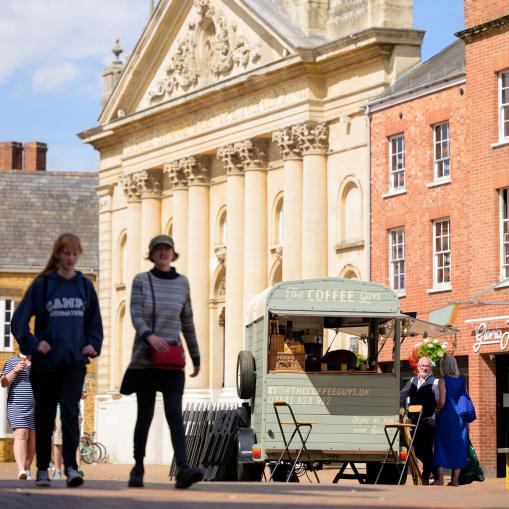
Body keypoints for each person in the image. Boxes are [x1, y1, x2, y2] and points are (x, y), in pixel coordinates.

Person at [11, 233, 103, 488]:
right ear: (58, 255)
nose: (71, 258)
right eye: (66, 253)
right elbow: (18, 321)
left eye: (75, 253)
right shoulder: (43, 285)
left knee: (71, 413)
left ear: (78, 255)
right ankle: (42, 469)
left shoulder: (84, 286)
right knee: (45, 415)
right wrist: (33, 344)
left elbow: (95, 324)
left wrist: (92, 345)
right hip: (46, 364)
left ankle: (72, 468)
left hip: (73, 363)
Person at [120, 234, 203, 489]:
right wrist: (149, 335)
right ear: (152, 254)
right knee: (144, 415)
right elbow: (135, 313)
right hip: (146, 359)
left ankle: (183, 469)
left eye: (167, 249)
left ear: (173, 253)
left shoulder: (182, 283)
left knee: (174, 415)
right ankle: (138, 466)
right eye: (158, 250)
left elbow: (187, 321)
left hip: (172, 361)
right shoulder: (141, 281)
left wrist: (196, 356)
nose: (163, 253)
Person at [399, 356, 439, 485]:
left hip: (427, 421)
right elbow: (401, 395)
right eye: (422, 366)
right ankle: (437, 472)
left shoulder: (435, 382)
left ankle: (426, 477)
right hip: (413, 421)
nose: (424, 368)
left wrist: (434, 418)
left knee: (427, 450)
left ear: (430, 367)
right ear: (417, 367)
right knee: (416, 448)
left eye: (426, 366)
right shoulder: (412, 381)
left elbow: (440, 403)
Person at [432, 355, 469, 486]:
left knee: (441, 445)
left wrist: (436, 411)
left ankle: (441, 479)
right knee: (459, 446)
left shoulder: (443, 381)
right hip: (459, 418)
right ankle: (455, 480)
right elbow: (464, 400)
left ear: (444, 366)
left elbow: (442, 401)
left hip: (445, 416)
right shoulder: (461, 381)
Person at [0, 353, 35, 480]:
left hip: (36, 408)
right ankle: (21, 470)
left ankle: (27, 469)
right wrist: (15, 370)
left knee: (33, 439)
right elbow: (3, 383)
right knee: (21, 434)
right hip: (17, 406)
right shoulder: (12, 361)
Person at [53, 385, 87, 479]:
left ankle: (77, 469)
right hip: (60, 413)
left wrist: (80, 394)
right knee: (58, 442)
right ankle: (57, 471)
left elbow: (84, 395)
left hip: (75, 414)